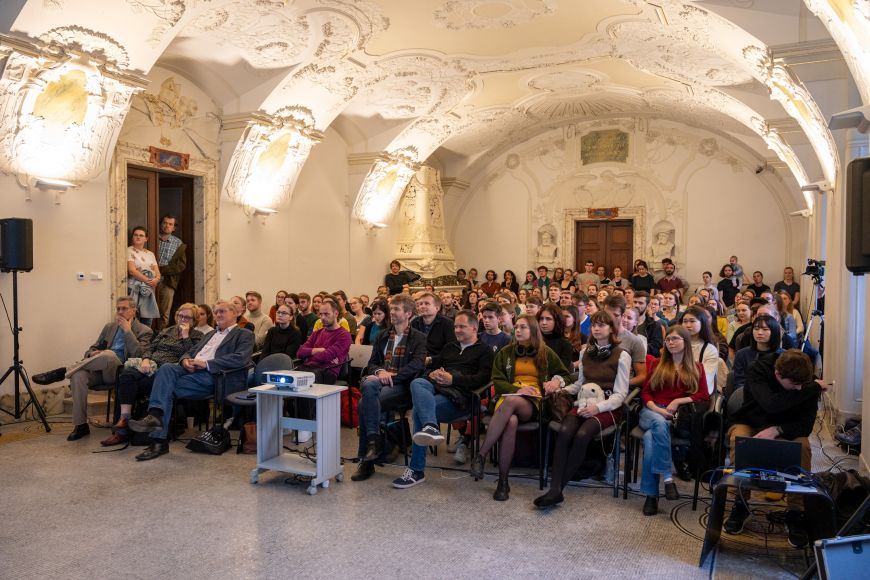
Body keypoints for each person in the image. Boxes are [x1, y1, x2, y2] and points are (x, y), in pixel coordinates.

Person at [128, 300, 255, 460]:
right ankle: (155, 419)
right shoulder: (210, 334)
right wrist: (185, 361)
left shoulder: (244, 334)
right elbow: (190, 351)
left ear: (235, 313)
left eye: (222, 311)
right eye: (216, 312)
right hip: (191, 372)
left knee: (165, 389)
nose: (218, 315)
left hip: (214, 376)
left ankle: (158, 436)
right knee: (167, 368)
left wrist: (207, 364)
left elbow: (240, 359)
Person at [722, 350, 824, 548]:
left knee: (802, 446)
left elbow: (806, 426)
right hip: (751, 420)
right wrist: (812, 389)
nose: (800, 388)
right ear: (778, 375)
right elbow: (771, 404)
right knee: (740, 439)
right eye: (794, 385)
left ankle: (796, 510)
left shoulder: (805, 381)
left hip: (786, 426)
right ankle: (740, 502)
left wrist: (778, 430)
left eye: (804, 384)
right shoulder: (759, 370)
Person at [387, 310, 496, 488]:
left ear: (475, 328)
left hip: (461, 399)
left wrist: (454, 379)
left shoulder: (485, 351)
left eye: (462, 326)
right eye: (455, 326)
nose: (457, 330)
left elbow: (483, 380)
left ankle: (416, 470)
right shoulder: (450, 347)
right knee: (418, 383)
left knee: (417, 411)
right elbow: (435, 365)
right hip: (439, 390)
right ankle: (431, 427)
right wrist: (434, 373)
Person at [533, 311, 631, 507]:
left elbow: (621, 395)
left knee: (582, 434)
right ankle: (555, 489)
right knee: (565, 431)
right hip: (584, 402)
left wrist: (598, 407)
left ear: (611, 329)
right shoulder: (585, 352)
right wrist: (562, 389)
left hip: (608, 405)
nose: (596, 328)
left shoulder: (622, 355)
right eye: (594, 324)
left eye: (602, 325)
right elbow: (580, 384)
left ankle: (557, 490)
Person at [471, 314, 570, 500]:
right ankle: (503, 482)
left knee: (512, 402)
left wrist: (556, 382)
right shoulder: (505, 353)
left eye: (523, 327)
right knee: (511, 422)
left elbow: (567, 374)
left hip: (533, 402)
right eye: (516, 327)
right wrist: (518, 388)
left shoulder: (545, 352)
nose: (518, 330)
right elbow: (498, 381)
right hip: (508, 398)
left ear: (533, 330)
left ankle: (481, 454)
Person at [101, 304, 203, 446]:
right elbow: (150, 348)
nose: (182, 319)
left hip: (165, 373)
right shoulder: (166, 331)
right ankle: (124, 420)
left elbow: (192, 354)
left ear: (194, 320)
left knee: (132, 386)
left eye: (187, 317)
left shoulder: (198, 336)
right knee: (125, 375)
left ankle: (124, 432)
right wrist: (146, 361)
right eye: (180, 316)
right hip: (150, 366)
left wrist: (185, 336)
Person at [352, 294, 427, 481]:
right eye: (391, 309)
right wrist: (379, 373)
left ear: (408, 313)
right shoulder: (382, 336)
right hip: (380, 383)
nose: (391, 312)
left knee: (364, 404)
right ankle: (373, 443)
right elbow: (372, 363)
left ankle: (368, 457)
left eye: (396, 309)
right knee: (369, 385)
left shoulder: (418, 338)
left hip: (404, 386)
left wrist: (392, 376)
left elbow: (417, 365)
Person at [638, 325, 709, 515]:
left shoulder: (697, 367)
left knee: (649, 440)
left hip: (674, 416)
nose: (670, 343)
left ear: (685, 342)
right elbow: (645, 393)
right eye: (668, 339)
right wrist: (656, 409)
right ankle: (668, 478)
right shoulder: (656, 364)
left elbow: (703, 395)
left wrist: (678, 400)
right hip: (651, 412)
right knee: (659, 424)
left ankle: (651, 496)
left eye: (675, 339)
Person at [65, 296, 154, 441]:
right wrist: (91, 353)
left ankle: (64, 371)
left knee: (109, 355)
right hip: (100, 370)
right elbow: (92, 348)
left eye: (124, 308)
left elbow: (140, 354)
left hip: (120, 372)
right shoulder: (109, 327)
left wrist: (127, 331)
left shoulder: (145, 330)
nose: (120, 312)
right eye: (118, 309)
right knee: (78, 375)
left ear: (134, 311)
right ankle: (81, 425)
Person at [296, 299, 353, 384]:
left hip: (327, 371)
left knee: (306, 382)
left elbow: (326, 356)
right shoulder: (317, 333)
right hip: (308, 368)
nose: (322, 317)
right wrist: (316, 350)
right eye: (320, 314)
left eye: (326, 314)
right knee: (287, 378)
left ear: (336, 313)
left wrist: (309, 355)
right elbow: (299, 352)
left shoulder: (344, 335)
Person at [602, 295, 648, 390]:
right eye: (607, 314)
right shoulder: (597, 334)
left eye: (615, 315)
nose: (610, 318)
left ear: (623, 316)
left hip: (620, 388)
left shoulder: (634, 341)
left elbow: (642, 376)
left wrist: (621, 384)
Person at [732, 314, 782, 392]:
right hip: (748, 396)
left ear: (774, 332)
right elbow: (739, 383)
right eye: (756, 329)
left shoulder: (783, 355)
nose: (759, 333)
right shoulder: (742, 354)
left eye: (765, 329)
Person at [155, 215, 187, 328]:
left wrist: (162, 270)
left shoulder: (178, 243)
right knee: (147, 311)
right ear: (160, 224)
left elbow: (181, 265)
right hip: (149, 279)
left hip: (168, 282)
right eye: (164, 223)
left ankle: (161, 338)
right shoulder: (152, 238)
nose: (167, 226)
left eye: (170, 224)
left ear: (174, 228)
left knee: (164, 313)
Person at [680, 306, 719, 395]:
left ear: (702, 323)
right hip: (673, 391)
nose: (688, 325)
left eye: (692, 321)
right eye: (685, 321)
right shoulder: (676, 344)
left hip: (696, 394)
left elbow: (706, 380)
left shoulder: (709, 349)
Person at [126, 226, 161, 324]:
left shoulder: (150, 254)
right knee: (134, 319)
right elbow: (132, 270)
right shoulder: (129, 250)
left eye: (141, 235)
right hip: (134, 288)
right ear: (132, 237)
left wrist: (157, 279)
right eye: (135, 235)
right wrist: (149, 281)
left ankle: (145, 339)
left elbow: (157, 271)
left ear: (146, 238)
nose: (138, 237)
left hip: (148, 288)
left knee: (147, 319)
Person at [411, 292, 456, 358]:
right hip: (417, 361)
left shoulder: (448, 324)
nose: (422, 306)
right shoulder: (414, 322)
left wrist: (431, 359)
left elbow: (451, 350)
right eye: (420, 304)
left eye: (427, 303)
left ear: (437, 308)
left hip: (439, 364)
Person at [538, 302, 575, 370]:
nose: (544, 322)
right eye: (541, 319)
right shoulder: (533, 340)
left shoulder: (565, 345)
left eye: (548, 319)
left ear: (557, 321)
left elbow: (561, 371)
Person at [633, 291, 665, 357]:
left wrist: (634, 349)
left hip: (644, 360)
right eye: (635, 302)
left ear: (648, 306)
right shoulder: (624, 322)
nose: (636, 305)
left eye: (640, 303)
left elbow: (655, 348)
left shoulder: (655, 326)